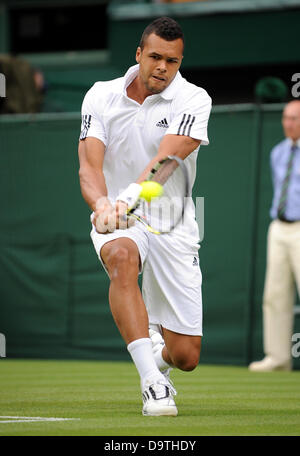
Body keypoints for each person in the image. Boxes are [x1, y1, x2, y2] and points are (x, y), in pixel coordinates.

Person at [78, 17, 212, 415]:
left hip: (173, 222)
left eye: (172, 61)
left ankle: (160, 356)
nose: (163, 68)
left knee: (185, 355)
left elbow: (166, 161)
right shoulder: (101, 95)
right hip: (121, 222)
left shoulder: (194, 99)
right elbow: (89, 166)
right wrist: (102, 204)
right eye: (155, 57)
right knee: (121, 257)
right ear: (138, 54)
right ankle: (153, 384)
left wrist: (128, 200)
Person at [249, 100, 300, 372]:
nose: (288, 123)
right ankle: (278, 358)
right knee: (275, 294)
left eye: (294, 118)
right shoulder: (278, 152)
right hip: (279, 227)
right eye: (285, 118)